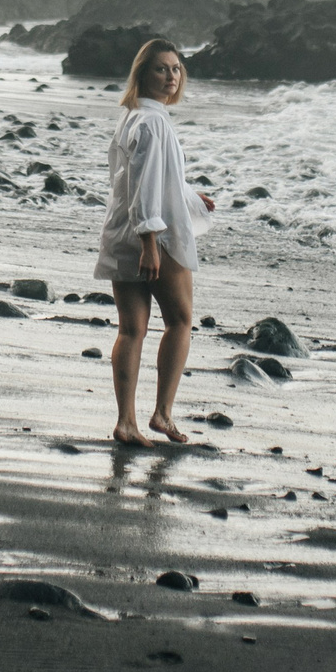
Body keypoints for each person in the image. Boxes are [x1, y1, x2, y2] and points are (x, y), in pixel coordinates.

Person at [94, 37, 214, 445]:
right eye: (162, 68)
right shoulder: (154, 122)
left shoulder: (131, 118)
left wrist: (192, 199)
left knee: (132, 329)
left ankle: (126, 422)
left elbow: (140, 181)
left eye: (176, 69)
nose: (171, 76)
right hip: (153, 238)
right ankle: (162, 414)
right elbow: (146, 188)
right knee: (180, 320)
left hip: (121, 232)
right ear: (143, 73)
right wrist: (150, 242)